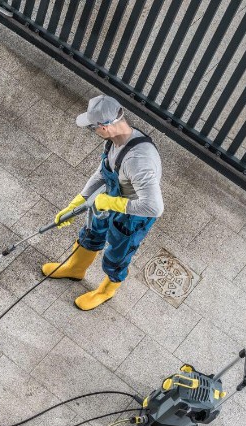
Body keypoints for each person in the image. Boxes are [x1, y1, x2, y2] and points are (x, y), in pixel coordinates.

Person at [42, 95, 164, 311]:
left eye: (93, 128)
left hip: (132, 216)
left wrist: (110, 202)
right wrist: (78, 201)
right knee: (91, 233)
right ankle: (75, 269)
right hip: (109, 201)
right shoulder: (116, 141)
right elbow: (103, 172)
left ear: (105, 127)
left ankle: (105, 292)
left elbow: (154, 207)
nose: (93, 131)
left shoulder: (139, 160)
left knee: (116, 256)